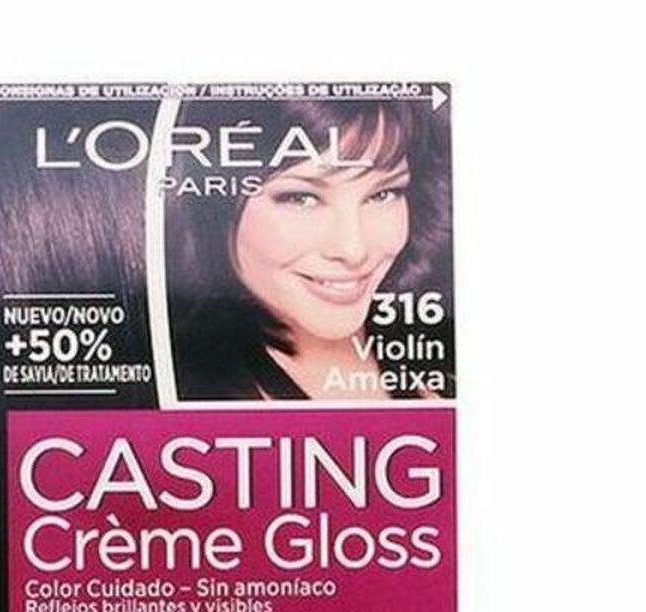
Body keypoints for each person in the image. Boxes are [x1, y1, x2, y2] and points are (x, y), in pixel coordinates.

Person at [166, 98, 453, 400]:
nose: (353, 251)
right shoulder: (178, 389)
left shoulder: (444, 358)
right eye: (300, 198)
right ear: (208, 209)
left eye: (383, 194)